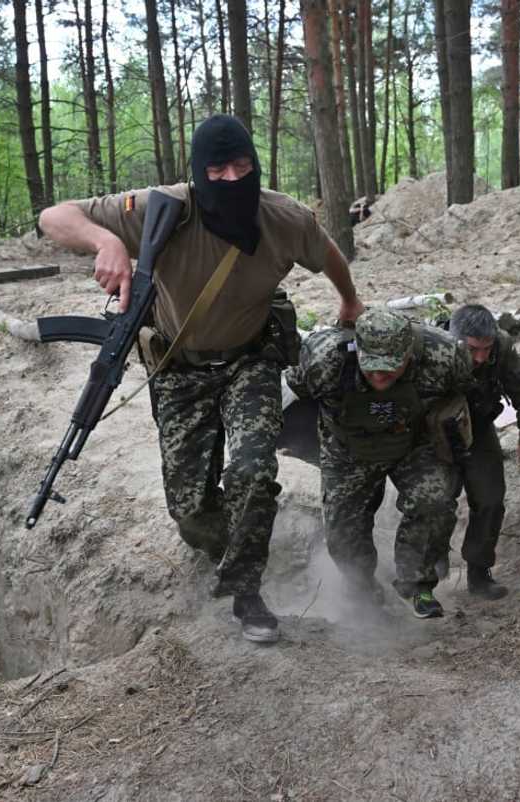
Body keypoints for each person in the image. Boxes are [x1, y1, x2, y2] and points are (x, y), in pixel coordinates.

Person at [38, 114, 365, 643]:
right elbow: (54, 216)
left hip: (250, 359)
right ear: (197, 171)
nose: (232, 180)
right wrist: (107, 241)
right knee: (190, 512)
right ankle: (231, 542)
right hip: (178, 370)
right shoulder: (160, 209)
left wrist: (348, 297)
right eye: (217, 170)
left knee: (252, 472)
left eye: (242, 167)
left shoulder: (283, 218)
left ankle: (247, 590)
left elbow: (325, 249)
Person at [286, 307, 473, 619]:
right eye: (371, 367)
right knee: (343, 533)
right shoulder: (323, 360)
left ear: (409, 354)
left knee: (435, 501)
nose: (379, 376)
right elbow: (288, 394)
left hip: (415, 444)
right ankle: (363, 592)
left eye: (390, 368)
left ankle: (418, 583)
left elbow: (467, 393)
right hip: (347, 451)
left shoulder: (443, 355)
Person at [442, 304, 520, 599]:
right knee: (436, 502)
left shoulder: (501, 348)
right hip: (434, 435)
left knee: (490, 499)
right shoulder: (433, 348)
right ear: (456, 338)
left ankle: (479, 572)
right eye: (473, 349)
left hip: (479, 428)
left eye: (486, 349)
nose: (481, 357)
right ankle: (426, 574)